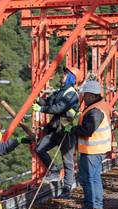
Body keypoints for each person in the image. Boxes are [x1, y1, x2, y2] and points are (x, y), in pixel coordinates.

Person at [32, 67, 82, 198]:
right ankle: (54, 170)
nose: (62, 75)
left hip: (67, 131)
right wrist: (38, 100)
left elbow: (59, 108)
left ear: (71, 78)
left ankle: (67, 189)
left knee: (67, 161)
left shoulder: (71, 94)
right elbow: (50, 102)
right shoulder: (61, 91)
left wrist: (41, 109)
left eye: (65, 74)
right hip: (56, 130)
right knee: (39, 148)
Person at [66, 80, 112, 209]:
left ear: (91, 95)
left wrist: (73, 129)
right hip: (95, 149)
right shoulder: (100, 105)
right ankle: (96, 208)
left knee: (89, 179)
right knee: (94, 178)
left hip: (92, 149)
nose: (83, 97)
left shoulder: (95, 111)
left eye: (85, 95)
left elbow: (87, 130)